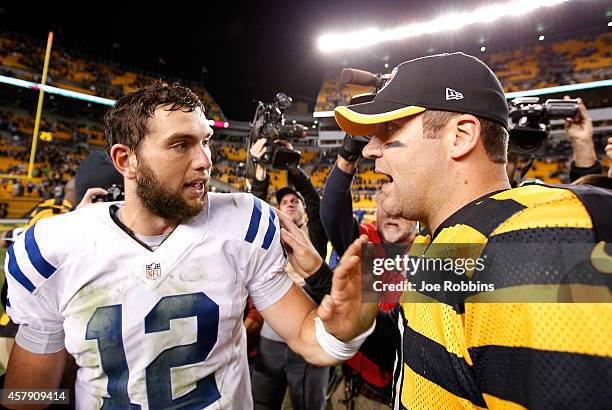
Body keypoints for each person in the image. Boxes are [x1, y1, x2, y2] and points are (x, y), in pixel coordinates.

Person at [3, 82, 376, 409]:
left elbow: (304, 336)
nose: (205, 161)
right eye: (181, 145)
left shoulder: (243, 222)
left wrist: (345, 333)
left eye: (206, 142)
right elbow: (27, 396)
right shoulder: (54, 248)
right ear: (125, 160)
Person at [333, 52, 611, 409]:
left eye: (389, 129)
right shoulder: (442, 240)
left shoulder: (530, 246)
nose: (370, 149)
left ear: (461, 136)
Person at [321, 139, 416, 408]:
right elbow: (332, 214)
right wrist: (347, 156)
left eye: (398, 208)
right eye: (383, 206)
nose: (390, 212)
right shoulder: (367, 242)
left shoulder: (428, 252)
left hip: (393, 396)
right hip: (351, 387)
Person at [249, 138, 330, 410]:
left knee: (309, 405)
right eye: (284, 201)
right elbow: (255, 205)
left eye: (295, 200)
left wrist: (294, 169)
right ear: (278, 209)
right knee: (262, 403)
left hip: (309, 331)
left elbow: (314, 200)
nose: (290, 203)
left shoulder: (314, 235)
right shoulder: (268, 233)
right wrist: (261, 170)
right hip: (271, 339)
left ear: (303, 209)